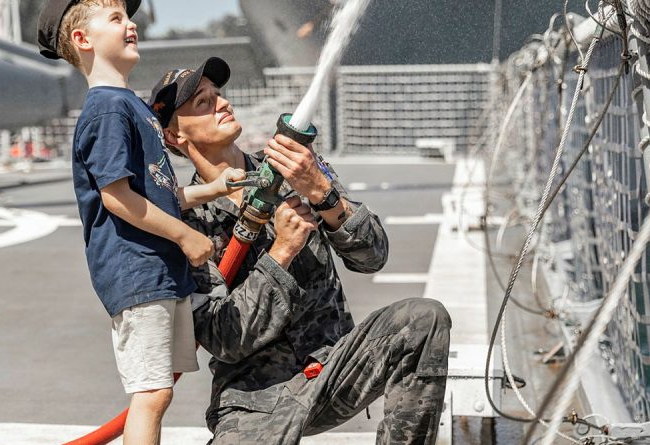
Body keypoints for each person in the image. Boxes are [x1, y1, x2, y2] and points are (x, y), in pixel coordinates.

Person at [148, 57, 452, 444]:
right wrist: (281, 253)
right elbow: (225, 338)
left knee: (422, 319)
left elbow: (372, 256)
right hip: (257, 397)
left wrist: (322, 194)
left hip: (334, 366)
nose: (222, 104)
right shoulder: (187, 222)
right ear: (175, 137)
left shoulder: (295, 168)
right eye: (203, 103)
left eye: (219, 95)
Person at [36, 3, 245, 444]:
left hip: (157, 271)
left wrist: (215, 187)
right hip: (138, 270)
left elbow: (157, 196)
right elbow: (117, 197)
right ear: (82, 40)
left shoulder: (129, 105)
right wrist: (186, 235)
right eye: (114, 18)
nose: (130, 23)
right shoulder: (108, 109)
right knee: (151, 393)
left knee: (157, 393)